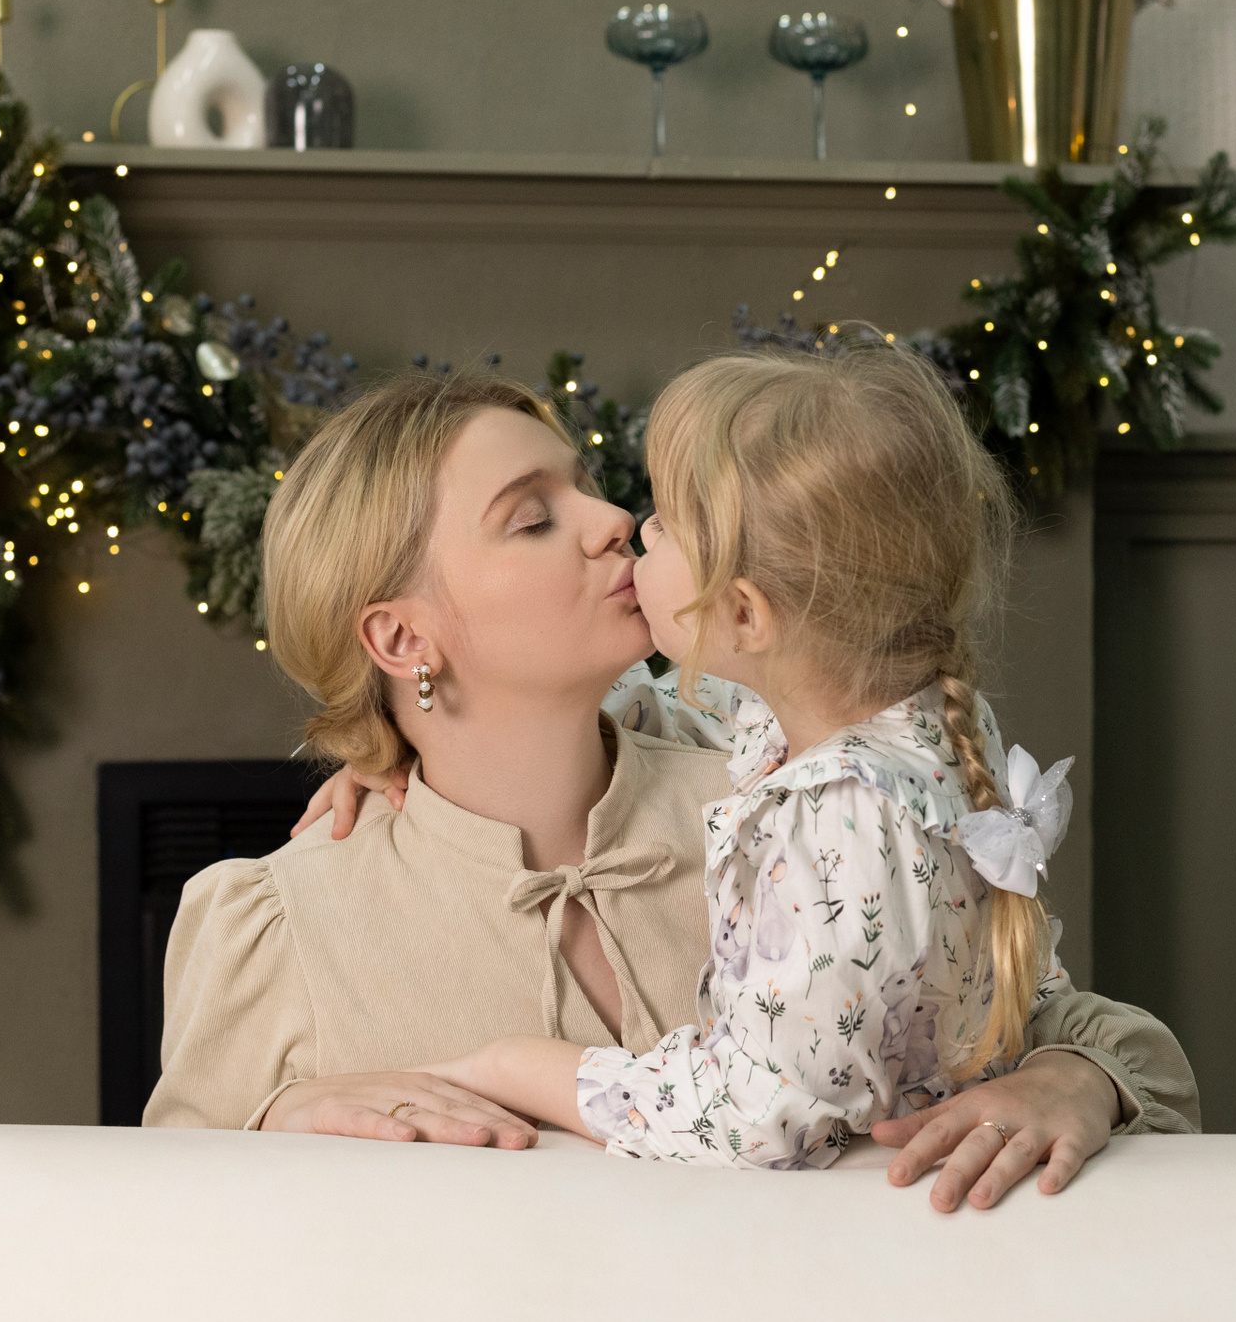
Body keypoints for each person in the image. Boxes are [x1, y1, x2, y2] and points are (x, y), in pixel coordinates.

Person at [143, 369, 1198, 1210]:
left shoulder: (789, 806)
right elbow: (158, 1229)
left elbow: (1048, 1013)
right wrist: (275, 1124)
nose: (614, 518)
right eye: (532, 518)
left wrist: (1078, 1079)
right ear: (401, 637)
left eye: (588, 485)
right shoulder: (279, 926)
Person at [420, 346, 1084, 1168]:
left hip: (867, 1211)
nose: (633, 526)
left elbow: (760, 1116)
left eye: (667, 526)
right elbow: (668, 710)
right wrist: (400, 743)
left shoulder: (838, 818)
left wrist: (512, 1066)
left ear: (743, 615)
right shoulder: (896, 722)